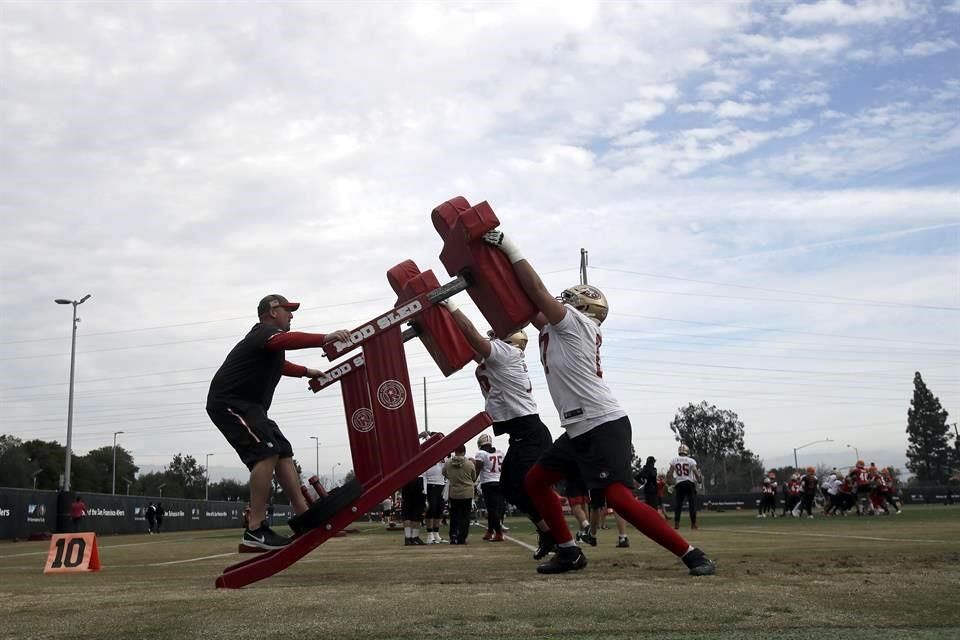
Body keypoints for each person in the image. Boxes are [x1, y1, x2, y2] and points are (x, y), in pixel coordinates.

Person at [484, 229, 715, 576]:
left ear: (584, 306)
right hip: (580, 427)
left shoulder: (576, 323)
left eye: (570, 298)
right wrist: (487, 270)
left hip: (601, 422)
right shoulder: (561, 327)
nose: (562, 302)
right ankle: (568, 552)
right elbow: (523, 302)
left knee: (619, 498)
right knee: (534, 481)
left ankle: (691, 554)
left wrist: (507, 246)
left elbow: (535, 291)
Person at [206, 293, 350, 550]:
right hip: (229, 404)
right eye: (288, 310)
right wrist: (324, 338)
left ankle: (305, 517)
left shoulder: (270, 345)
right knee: (266, 452)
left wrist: (307, 371)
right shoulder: (263, 333)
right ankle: (255, 530)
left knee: (282, 449)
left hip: (252, 408)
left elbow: (282, 365)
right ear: (273, 311)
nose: (291, 315)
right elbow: (288, 341)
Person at [443, 305, 557, 557]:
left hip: (530, 432)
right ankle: (548, 532)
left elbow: (470, 332)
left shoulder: (505, 353)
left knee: (526, 488)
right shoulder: (502, 356)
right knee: (510, 489)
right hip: (521, 434)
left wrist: (449, 306)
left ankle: (557, 536)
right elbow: (469, 341)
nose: (492, 334)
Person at [473, 434, 505, 541]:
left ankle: (499, 533)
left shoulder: (481, 454)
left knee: (492, 510)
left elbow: (477, 469)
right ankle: (490, 531)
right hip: (499, 482)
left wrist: (473, 481)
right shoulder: (500, 453)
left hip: (488, 483)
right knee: (495, 509)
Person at [443, 444, 477, 544]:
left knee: (454, 515)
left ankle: (453, 536)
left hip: (454, 492)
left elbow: (444, 473)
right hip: (467, 493)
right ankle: (462, 537)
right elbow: (473, 477)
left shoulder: (449, 462)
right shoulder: (469, 463)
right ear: (464, 451)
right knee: (465, 516)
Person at [667, 444, 703, 531]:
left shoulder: (674, 460)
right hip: (689, 483)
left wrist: (670, 482)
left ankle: (676, 524)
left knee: (678, 505)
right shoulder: (691, 460)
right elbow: (695, 472)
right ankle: (693, 524)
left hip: (679, 483)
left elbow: (670, 473)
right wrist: (699, 479)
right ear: (687, 451)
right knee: (692, 504)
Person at [422, 440, 448, 543]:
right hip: (430, 484)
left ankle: (436, 534)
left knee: (439, 509)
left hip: (441, 485)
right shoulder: (427, 457)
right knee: (431, 509)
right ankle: (429, 534)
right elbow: (424, 474)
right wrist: (424, 490)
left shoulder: (443, 456)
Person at [401, 475, 426, 545]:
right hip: (418, 479)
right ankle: (414, 537)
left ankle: (408, 537)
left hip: (407, 479)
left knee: (408, 511)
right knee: (416, 511)